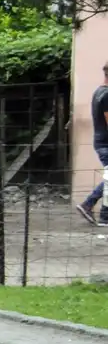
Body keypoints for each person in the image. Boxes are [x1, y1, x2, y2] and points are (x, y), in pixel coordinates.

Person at [77, 62, 108, 226]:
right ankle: (89, 204)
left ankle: (102, 214)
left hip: (100, 140)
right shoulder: (107, 94)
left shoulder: (98, 91)